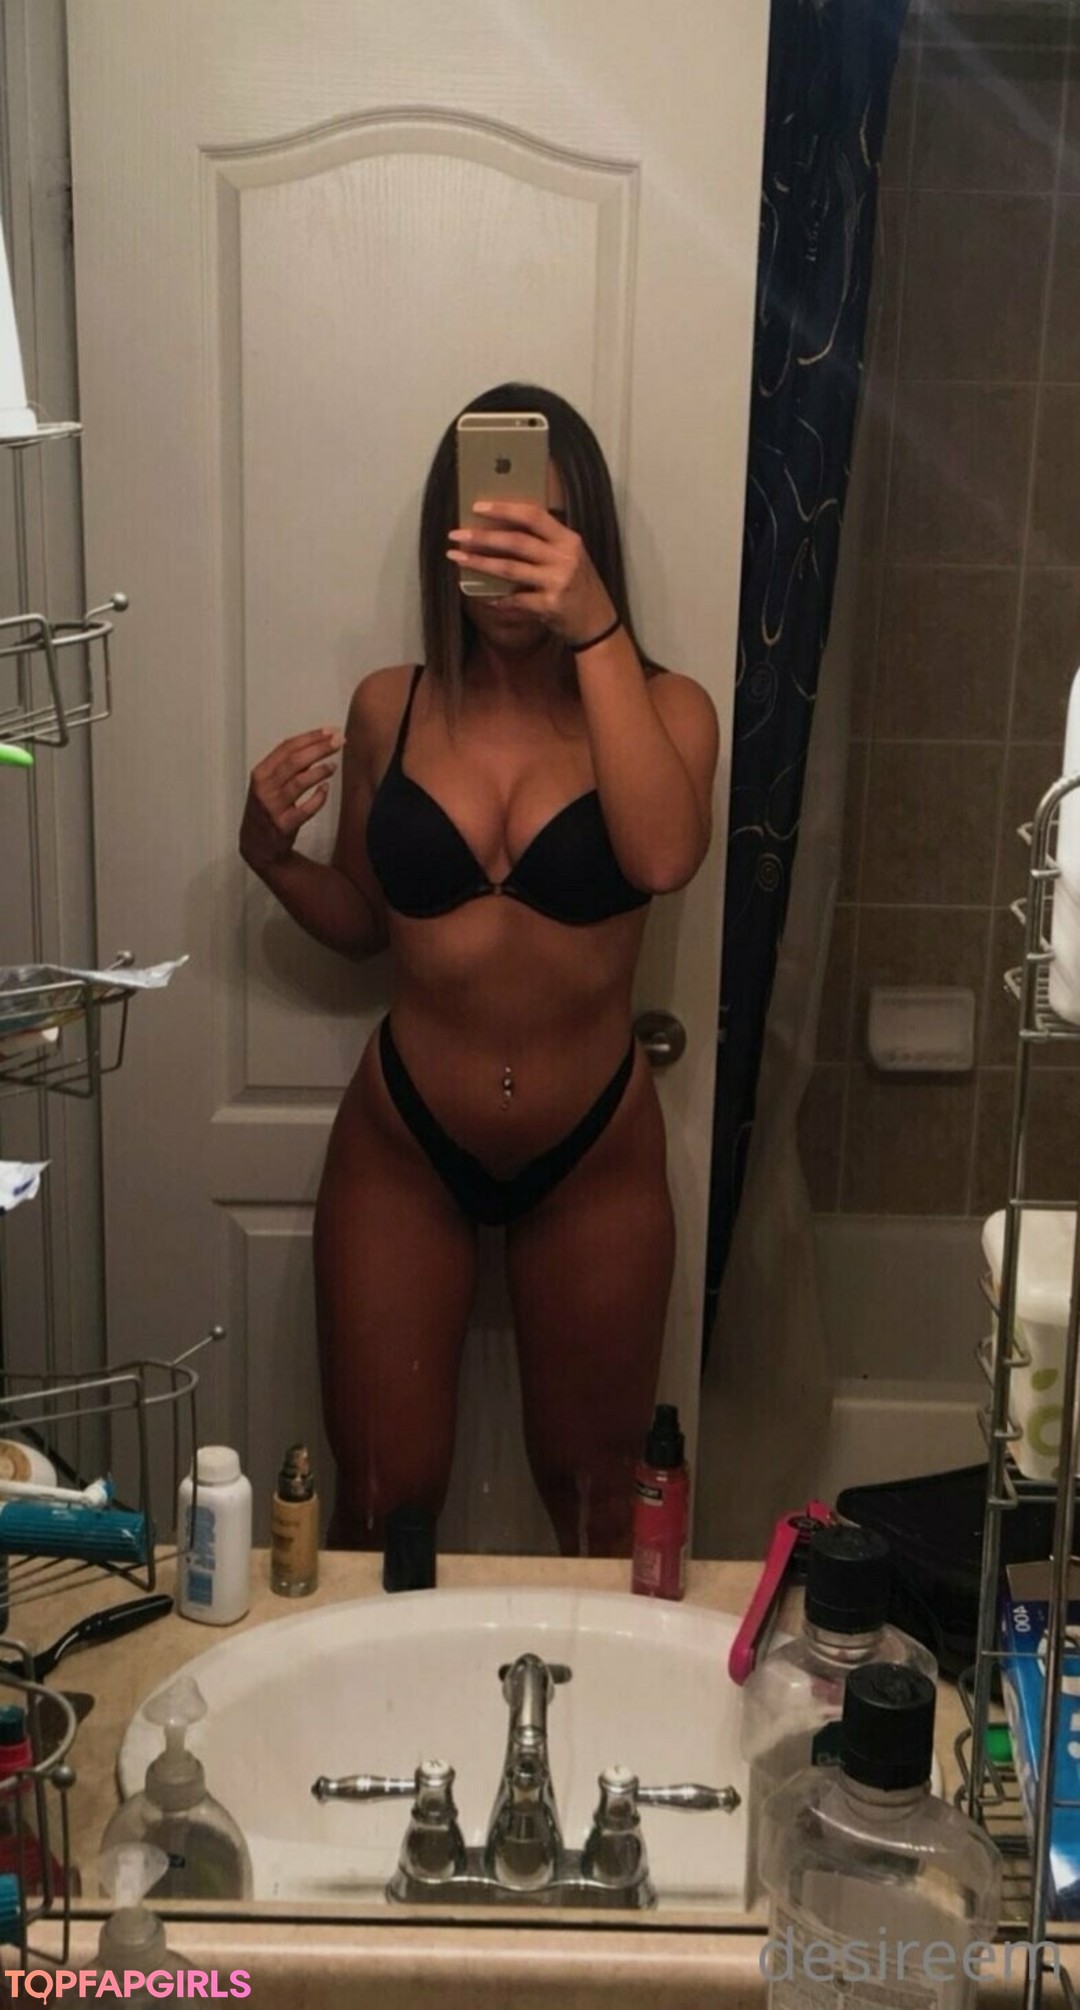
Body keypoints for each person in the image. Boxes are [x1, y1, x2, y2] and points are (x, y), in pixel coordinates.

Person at [239, 383, 719, 1555]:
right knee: (379, 1502)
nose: (511, 565)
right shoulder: (390, 707)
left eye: (539, 533)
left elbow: (661, 856)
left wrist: (594, 628)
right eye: (488, 531)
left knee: (602, 1507)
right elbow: (368, 919)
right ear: (444, 538)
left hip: (594, 1156)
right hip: (404, 1146)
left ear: (585, 542)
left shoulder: (668, 708)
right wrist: (268, 857)